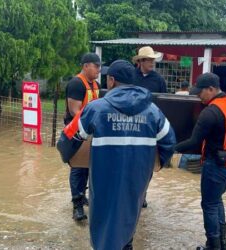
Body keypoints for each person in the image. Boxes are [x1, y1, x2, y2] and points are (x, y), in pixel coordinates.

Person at [75, 60, 175, 249]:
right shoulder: (152, 111)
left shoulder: (96, 108)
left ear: (111, 80)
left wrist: (72, 161)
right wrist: (154, 165)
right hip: (137, 180)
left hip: (103, 180)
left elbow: (70, 141)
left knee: (102, 225)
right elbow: (169, 143)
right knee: (129, 219)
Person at [174, 73, 226, 250]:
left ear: (211, 89)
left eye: (200, 92)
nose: (198, 96)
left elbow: (194, 142)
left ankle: (213, 246)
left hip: (216, 165)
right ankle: (222, 244)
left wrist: (170, 148)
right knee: (216, 200)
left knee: (208, 204)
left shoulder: (210, 112)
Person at [64, 52, 101, 221]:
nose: (99, 70)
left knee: (88, 166)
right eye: (96, 66)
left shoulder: (96, 84)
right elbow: (74, 111)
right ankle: (77, 205)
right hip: (77, 132)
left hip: (91, 131)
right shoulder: (76, 84)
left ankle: (82, 195)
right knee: (78, 167)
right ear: (86, 66)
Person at [133, 46, 167, 207]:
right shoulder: (131, 77)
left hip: (150, 126)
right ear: (140, 61)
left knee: (147, 162)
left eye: (154, 60)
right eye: (149, 60)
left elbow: (164, 103)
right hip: (131, 125)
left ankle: (143, 193)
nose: (153, 62)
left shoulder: (158, 80)